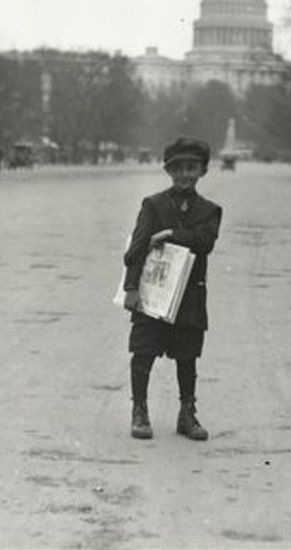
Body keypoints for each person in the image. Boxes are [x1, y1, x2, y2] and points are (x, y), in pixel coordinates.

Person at [121, 137, 223, 441]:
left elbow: (205, 242)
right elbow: (136, 249)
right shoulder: (153, 205)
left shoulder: (210, 210)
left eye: (192, 168)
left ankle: (187, 413)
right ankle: (139, 410)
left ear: (202, 171)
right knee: (143, 351)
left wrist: (171, 234)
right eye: (178, 168)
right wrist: (130, 287)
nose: (185, 175)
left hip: (190, 295)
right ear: (168, 171)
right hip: (152, 291)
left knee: (187, 355)